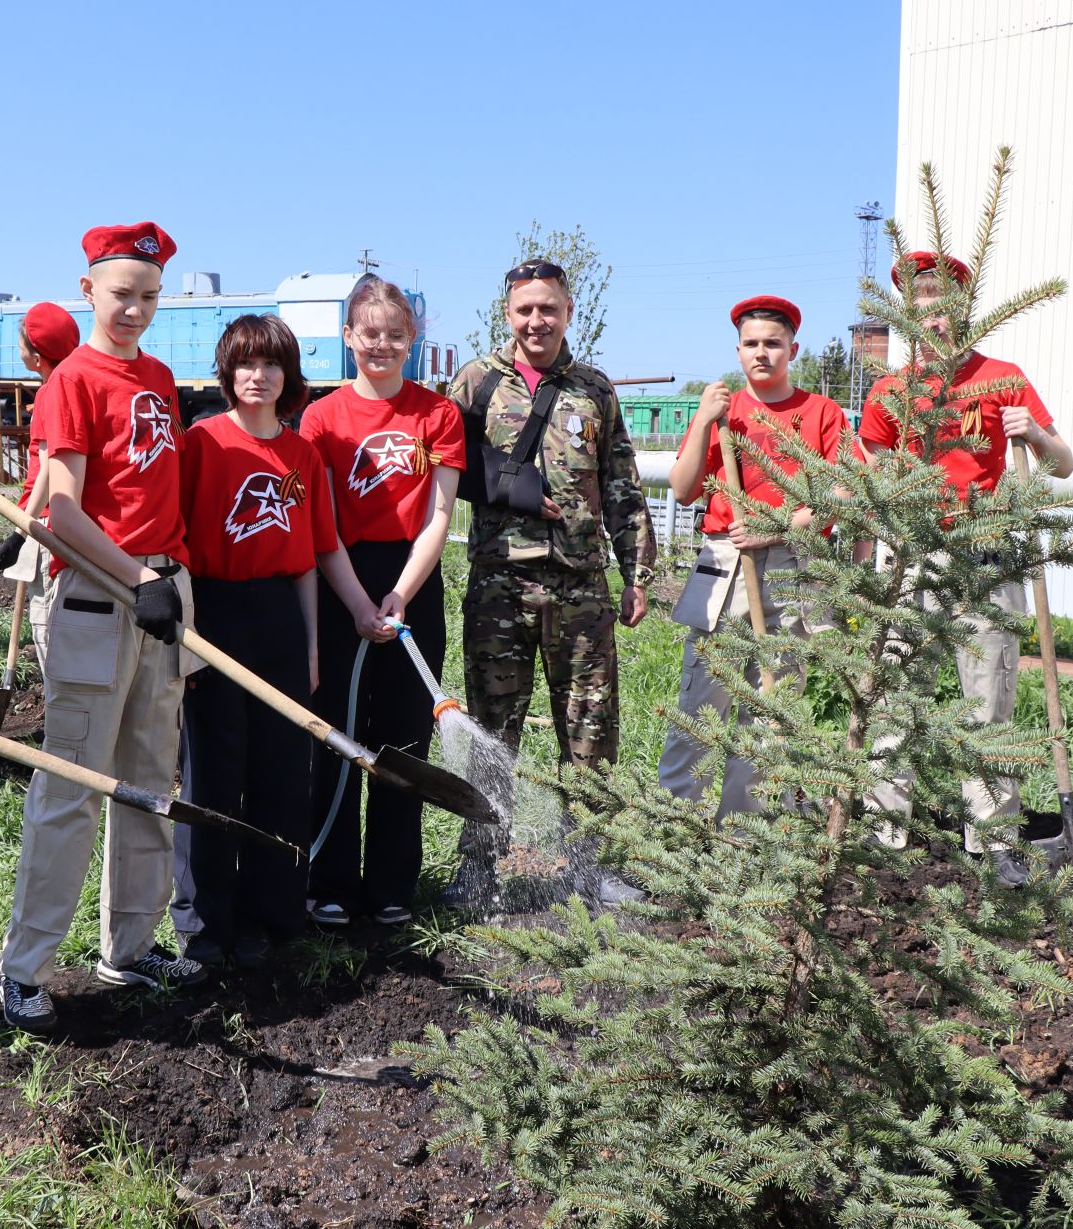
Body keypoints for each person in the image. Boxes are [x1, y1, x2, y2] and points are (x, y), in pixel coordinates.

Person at [0, 221, 205, 1036]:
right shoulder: (72, 382)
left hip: (162, 589)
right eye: (122, 294)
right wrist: (137, 578)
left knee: (150, 781)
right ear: (88, 291)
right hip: (98, 591)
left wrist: (168, 580)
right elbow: (62, 511)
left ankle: (132, 945)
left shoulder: (158, 377)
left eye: (150, 297)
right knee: (73, 787)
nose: (136, 309)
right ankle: (25, 969)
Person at [857, 252, 1073, 882]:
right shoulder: (890, 392)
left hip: (986, 555)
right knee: (896, 698)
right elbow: (871, 477)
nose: (933, 321)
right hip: (911, 558)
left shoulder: (1002, 378)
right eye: (921, 309)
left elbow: (1063, 464)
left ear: (963, 312)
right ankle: (884, 833)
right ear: (906, 316)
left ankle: (994, 841)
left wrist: (1035, 434)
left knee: (990, 699)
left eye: (944, 309)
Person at [446, 259, 656, 904]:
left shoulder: (594, 389)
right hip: (499, 585)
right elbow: (443, 466)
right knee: (492, 730)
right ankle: (481, 867)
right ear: (507, 314)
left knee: (591, 731)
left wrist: (638, 573)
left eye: (549, 308)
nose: (536, 321)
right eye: (525, 310)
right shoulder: (476, 383)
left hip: (580, 586)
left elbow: (622, 486)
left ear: (568, 311)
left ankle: (588, 869)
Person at [298, 276, 464, 927]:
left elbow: (439, 515)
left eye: (396, 334)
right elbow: (323, 526)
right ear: (348, 337)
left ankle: (394, 883)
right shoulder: (322, 418)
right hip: (343, 576)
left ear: (412, 339)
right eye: (370, 334)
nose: (382, 345)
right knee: (339, 736)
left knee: (404, 737)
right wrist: (357, 603)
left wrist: (399, 595)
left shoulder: (437, 414)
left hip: (412, 580)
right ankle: (331, 882)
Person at [169, 314, 334, 966]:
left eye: (271, 364)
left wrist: (311, 646)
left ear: (288, 375)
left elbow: (307, 562)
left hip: (281, 617)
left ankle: (275, 909)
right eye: (245, 363)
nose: (258, 376)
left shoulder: (302, 455)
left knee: (283, 770)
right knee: (213, 769)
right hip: (214, 610)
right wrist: (185, 637)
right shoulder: (201, 443)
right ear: (227, 372)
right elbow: (178, 543)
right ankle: (206, 919)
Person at [656, 295, 846, 815]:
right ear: (738, 350)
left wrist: (776, 526)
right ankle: (677, 827)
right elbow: (683, 489)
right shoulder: (724, 413)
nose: (762, 353)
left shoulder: (821, 413)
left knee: (769, 709)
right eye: (751, 344)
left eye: (773, 343)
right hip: (727, 563)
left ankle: (745, 833)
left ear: (793, 349)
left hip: (792, 564)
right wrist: (702, 420)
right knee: (701, 702)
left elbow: (843, 492)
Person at [0, 301, 84, 668]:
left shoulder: (50, 392)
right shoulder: (77, 385)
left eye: (21, 345)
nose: (18, 351)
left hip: (44, 523)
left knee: (47, 625)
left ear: (38, 357)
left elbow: (47, 470)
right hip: (56, 521)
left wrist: (20, 532)